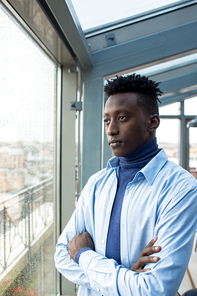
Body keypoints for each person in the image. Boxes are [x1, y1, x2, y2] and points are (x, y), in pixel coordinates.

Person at [54, 74, 197, 296]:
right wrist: (126, 277)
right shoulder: (96, 184)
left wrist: (83, 255)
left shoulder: (180, 188)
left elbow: (154, 289)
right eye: (106, 120)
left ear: (152, 122)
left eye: (122, 118)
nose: (111, 129)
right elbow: (62, 256)